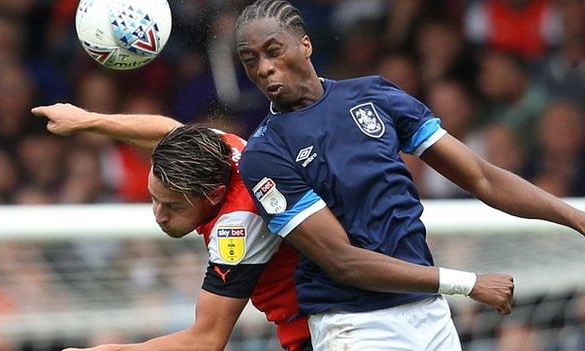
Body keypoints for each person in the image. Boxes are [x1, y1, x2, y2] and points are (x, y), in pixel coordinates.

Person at [233, 1, 585, 350]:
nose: (264, 68)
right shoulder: (265, 154)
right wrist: (467, 283)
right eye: (251, 60)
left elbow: (483, 178)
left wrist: (575, 217)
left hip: (430, 314)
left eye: (273, 51)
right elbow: (343, 262)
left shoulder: (372, 95)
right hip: (356, 326)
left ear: (305, 45)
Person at [32, 102, 514, 351]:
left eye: (169, 208)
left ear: (208, 197)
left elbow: (205, 341)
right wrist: (88, 120)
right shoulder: (226, 151)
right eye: (153, 199)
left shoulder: (238, 226)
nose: (156, 216)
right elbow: (169, 130)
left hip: (327, 334)